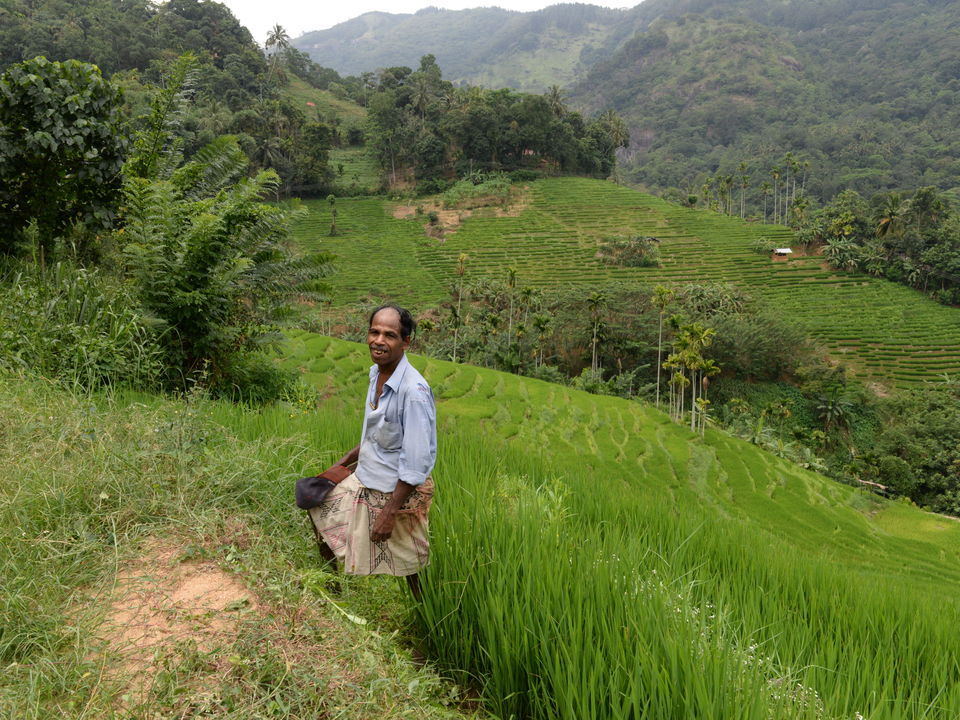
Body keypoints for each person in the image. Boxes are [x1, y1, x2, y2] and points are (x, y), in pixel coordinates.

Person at [309, 304, 436, 598]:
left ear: (406, 342)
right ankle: (332, 590)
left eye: (389, 335)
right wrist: (338, 467)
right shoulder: (376, 374)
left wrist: (390, 511)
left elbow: (416, 462)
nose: (379, 341)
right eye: (374, 332)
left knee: (411, 566)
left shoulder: (413, 392)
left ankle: (427, 620)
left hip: (399, 490)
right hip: (367, 476)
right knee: (316, 505)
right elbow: (375, 435)